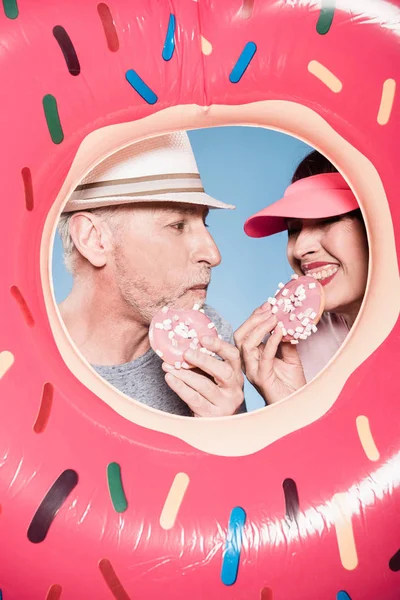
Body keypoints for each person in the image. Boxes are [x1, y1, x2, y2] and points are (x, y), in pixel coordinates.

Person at [57, 131, 245, 417]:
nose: (213, 254)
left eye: (204, 224)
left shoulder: (210, 337)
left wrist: (225, 434)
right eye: (178, 225)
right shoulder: (20, 360)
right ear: (94, 239)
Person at [235, 150, 368, 405]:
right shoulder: (293, 352)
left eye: (327, 220)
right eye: (294, 229)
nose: (299, 248)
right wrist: (291, 406)